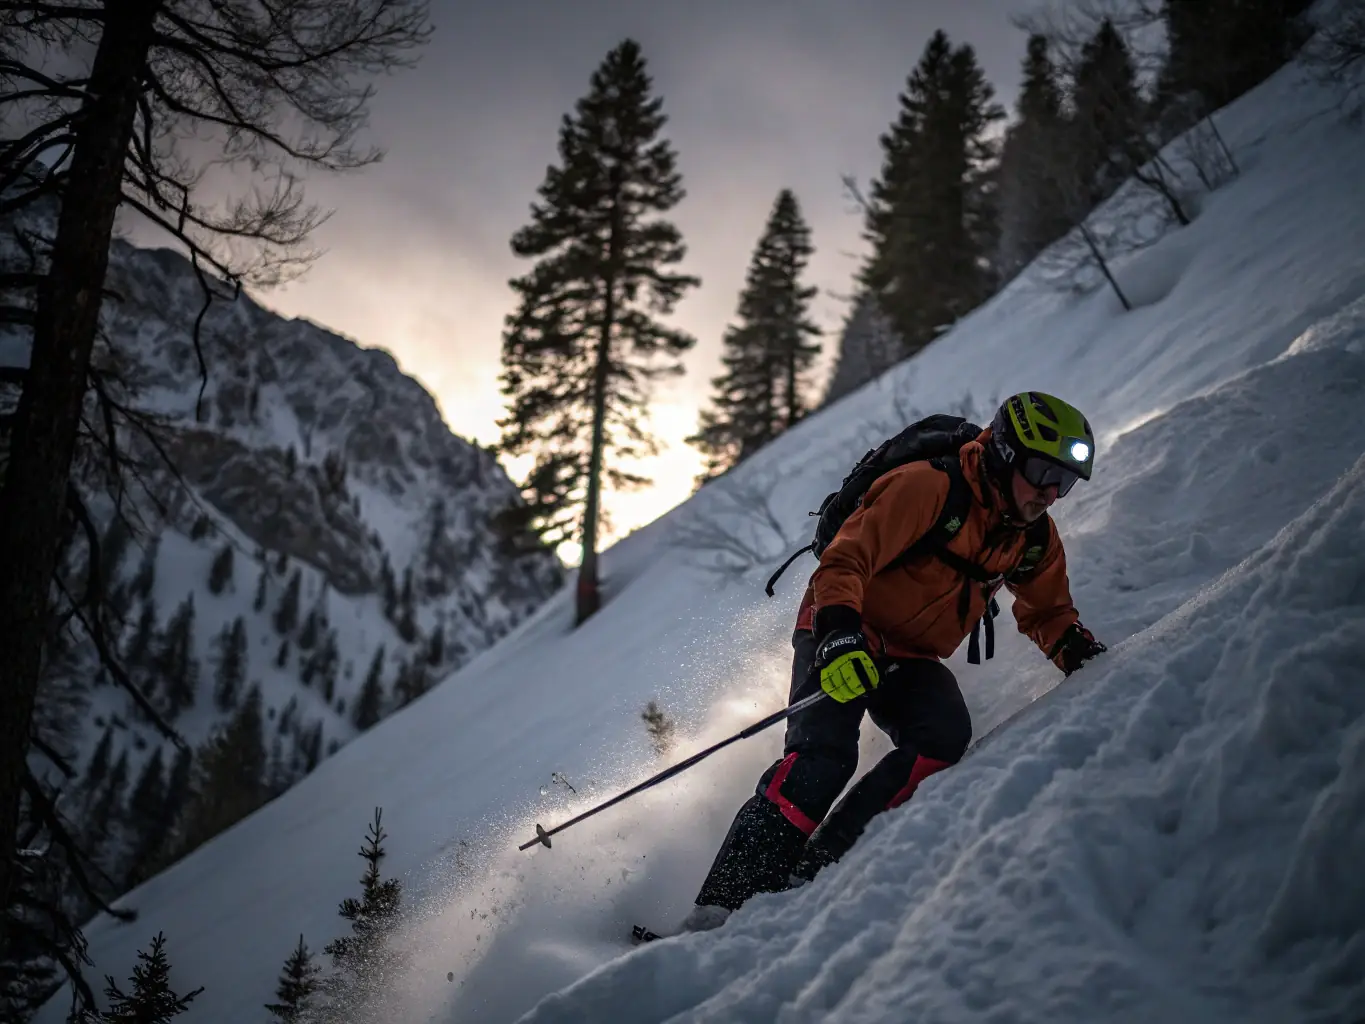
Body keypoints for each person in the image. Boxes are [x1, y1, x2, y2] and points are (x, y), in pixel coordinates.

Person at [682, 391, 1108, 932]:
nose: (1052, 492)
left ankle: (821, 869)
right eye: (1044, 471)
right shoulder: (930, 487)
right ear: (1004, 452)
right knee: (823, 757)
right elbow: (846, 559)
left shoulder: (1032, 539)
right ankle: (719, 907)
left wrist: (1080, 655)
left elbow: (1048, 611)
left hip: (909, 655)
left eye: (1064, 482)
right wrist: (838, 636)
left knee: (942, 735)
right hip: (841, 624)